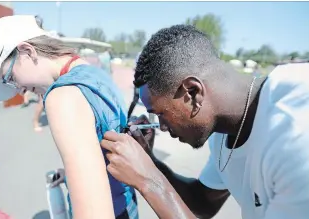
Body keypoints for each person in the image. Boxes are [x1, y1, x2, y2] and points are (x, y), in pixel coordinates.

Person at [99, 25, 309, 219]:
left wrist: (148, 180)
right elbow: (203, 202)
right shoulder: (223, 132)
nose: (161, 126)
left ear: (192, 92)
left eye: (161, 113)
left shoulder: (296, 131)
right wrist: (149, 162)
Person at [0, 15, 138, 219]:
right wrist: (73, 176)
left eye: (10, 78)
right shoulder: (94, 74)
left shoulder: (62, 97)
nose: (19, 90)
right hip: (127, 207)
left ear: (27, 51)